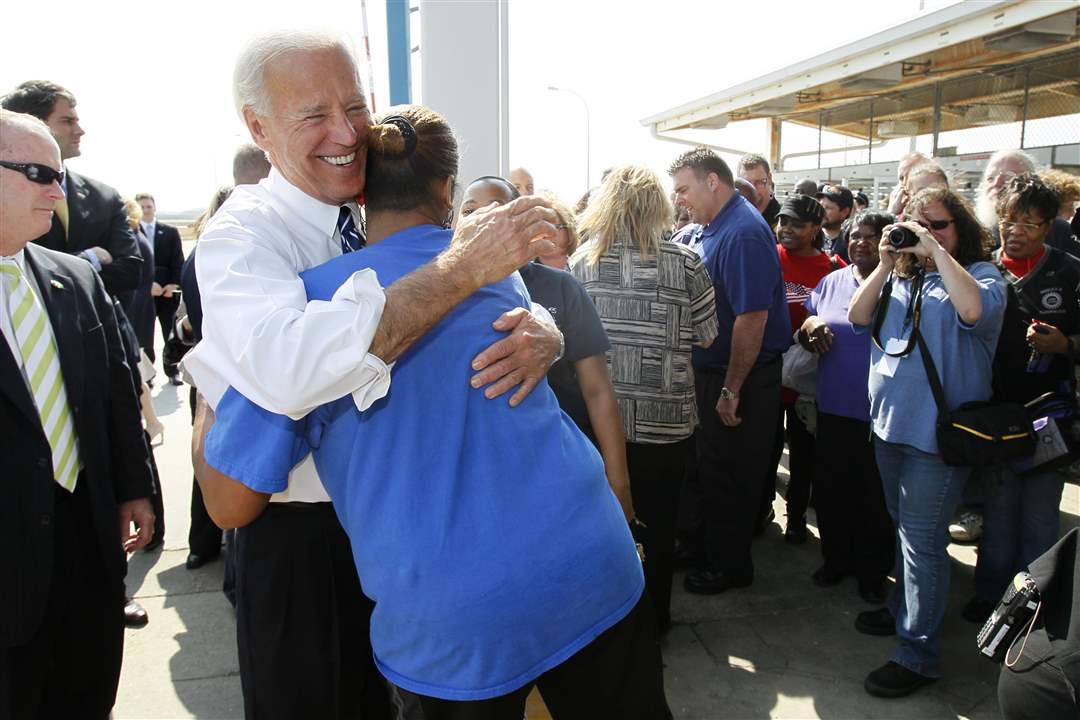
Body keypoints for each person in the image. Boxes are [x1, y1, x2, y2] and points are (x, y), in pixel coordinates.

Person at [197, 105, 669, 719]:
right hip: (589, 562)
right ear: (447, 188)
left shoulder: (313, 310)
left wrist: (214, 385)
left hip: (456, 617)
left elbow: (228, 504)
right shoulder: (497, 274)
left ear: (359, 188)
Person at [181, 30, 562, 720]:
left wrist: (546, 332)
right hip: (303, 546)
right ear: (257, 127)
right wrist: (461, 271)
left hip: (396, 533)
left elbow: (494, 305)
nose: (346, 132)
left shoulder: (365, 211)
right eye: (313, 115)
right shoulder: (245, 237)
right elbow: (294, 370)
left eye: (354, 107)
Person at [0, 109, 155, 719]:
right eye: (40, 173)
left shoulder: (73, 278)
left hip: (88, 553)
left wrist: (135, 487)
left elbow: (114, 392)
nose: (58, 192)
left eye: (59, 175)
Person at [847, 186, 1007, 698]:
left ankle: (918, 654)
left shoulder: (982, 276)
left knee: (923, 545)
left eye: (939, 225)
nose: (927, 235)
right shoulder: (901, 279)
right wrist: (887, 262)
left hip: (938, 438)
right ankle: (903, 610)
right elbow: (855, 316)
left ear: (960, 230)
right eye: (919, 226)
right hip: (889, 428)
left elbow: (975, 313)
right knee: (904, 531)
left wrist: (936, 254)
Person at [572, 164, 718, 633]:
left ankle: (607, 622)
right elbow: (709, 338)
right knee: (659, 527)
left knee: (600, 528)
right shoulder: (688, 263)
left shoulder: (581, 265)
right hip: (667, 423)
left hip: (598, 426)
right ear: (659, 207)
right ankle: (655, 621)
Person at [459, 175, 632, 519]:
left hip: (561, 463)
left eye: (495, 209)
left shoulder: (562, 288)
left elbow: (597, 389)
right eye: (468, 209)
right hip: (483, 478)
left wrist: (619, 483)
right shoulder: (446, 293)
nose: (479, 217)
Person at [669, 148, 791, 594]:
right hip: (711, 375)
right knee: (705, 469)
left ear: (712, 182)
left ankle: (729, 564)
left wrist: (731, 389)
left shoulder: (742, 234)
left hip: (739, 378)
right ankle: (702, 548)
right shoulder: (708, 229)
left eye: (685, 189)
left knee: (730, 475)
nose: (680, 200)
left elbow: (751, 318)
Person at [962, 174, 1074, 624]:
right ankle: (991, 595)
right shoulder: (984, 271)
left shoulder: (1070, 272)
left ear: (1048, 226)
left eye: (1029, 222)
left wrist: (1065, 345)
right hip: (996, 417)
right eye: (1010, 220)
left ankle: (1035, 607)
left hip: (1052, 418)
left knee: (1040, 517)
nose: (1016, 230)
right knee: (999, 511)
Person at [798, 210, 895, 602]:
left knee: (874, 499)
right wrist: (810, 329)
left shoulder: (899, 283)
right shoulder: (832, 281)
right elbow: (805, 324)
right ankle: (835, 560)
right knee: (834, 491)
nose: (860, 242)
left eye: (871, 237)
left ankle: (872, 572)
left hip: (880, 415)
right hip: (835, 408)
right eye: (855, 236)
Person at [1, 81, 143, 298]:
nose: (80, 131)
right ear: (29, 122)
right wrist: (88, 259)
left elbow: (130, 271)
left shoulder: (104, 196)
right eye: (68, 121)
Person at [769, 195, 845, 545]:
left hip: (807, 382)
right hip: (769, 373)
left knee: (803, 455)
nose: (787, 229)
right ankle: (762, 508)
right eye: (783, 221)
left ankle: (796, 518)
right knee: (767, 451)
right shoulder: (768, 256)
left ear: (816, 228)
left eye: (797, 224)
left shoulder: (832, 268)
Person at [137, 193, 185, 384]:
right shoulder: (131, 232)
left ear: (154, 208)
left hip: (167, 292)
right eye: (141, 207)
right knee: (144, 336)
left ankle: (173, 371)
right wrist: (146, 285)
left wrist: (173, 284)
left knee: (170, 333)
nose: (146, 210)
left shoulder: (170, 231)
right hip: (144, 293)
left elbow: (178, 261)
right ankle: (148, 375)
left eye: (148, 206)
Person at [535, 192, 579, 270]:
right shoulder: (522, 276)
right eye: (542, 228)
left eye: (556, 227)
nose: (548, 234)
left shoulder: (584, 268)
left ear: (569, 229)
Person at [738, 153, 780, 229]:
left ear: (769, 178)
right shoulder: (734, 216)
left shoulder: (782, 221)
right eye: (747, 183)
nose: (753, 189)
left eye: (759, 182)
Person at [816, 183, 854, 261]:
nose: (821, 211)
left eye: (827, 208)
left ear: (844, 212)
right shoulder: (809, 237)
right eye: (820, 206)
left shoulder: (852, 242)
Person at [886, 152, 929, 217]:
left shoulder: (936, 208)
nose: (905, 182)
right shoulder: (898, 208)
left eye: (910, 176)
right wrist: (891, 213)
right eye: (901, 178)